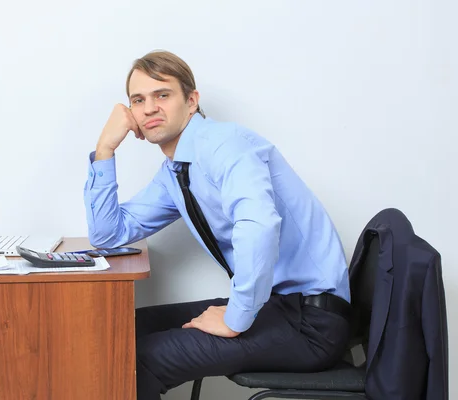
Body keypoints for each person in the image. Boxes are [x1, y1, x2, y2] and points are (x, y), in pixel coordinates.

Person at [83, 50, 351, 399]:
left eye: (162, 95)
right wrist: (105, 149)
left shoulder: (226, 146)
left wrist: (234, 318)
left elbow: (258, 225)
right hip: (279, 308)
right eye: (138, 100)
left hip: (312, 325)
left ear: (191, 101)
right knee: (125, 328)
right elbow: (108, 234)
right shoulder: (176, 172)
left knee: (140, 359)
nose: (149, 108)